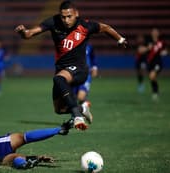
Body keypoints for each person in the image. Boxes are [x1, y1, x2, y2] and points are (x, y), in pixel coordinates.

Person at [15, 0, 127, 130]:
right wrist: (23, 32)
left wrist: (120, 39)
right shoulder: (53, 22)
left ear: (76, 14)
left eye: (69, 16)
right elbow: (29, 34)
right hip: (62, 70)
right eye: (63, 17)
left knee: (59, 78)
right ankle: (82, 108)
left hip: (80, 70)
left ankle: (77, 115)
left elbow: (105, 28)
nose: (66, 20)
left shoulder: (85, 26)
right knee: (59, 109)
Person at [146, 28, 167, 100]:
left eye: (156, 32)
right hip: (149, 62)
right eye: (153, 32)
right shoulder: (148, 41)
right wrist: (147, 48)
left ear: (158, 33)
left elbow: (165, 50)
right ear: (151, 33)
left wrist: (164, 52)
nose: (155, 33)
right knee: (151, 78)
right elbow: (140, 49)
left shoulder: (161, 42)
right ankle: (155, 91)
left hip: (158, 63)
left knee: (152, 76)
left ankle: (155, 92)